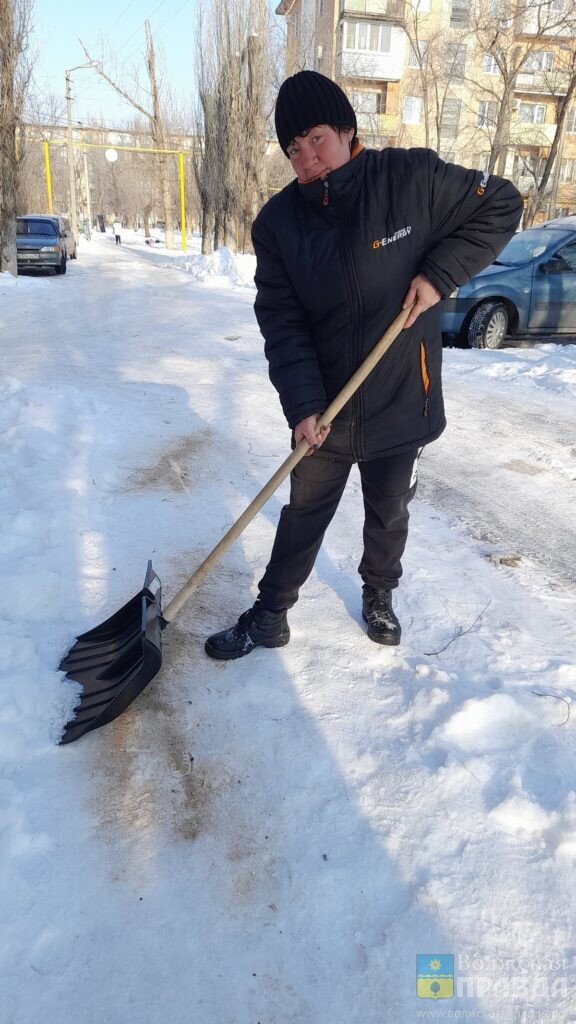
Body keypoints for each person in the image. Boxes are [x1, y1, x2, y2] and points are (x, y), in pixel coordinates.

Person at [205, 71, 523, 660]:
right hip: (327, 403)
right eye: (293, 149)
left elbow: (502, 204)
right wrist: (303, 406)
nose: (307, 159)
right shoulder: (278, 225)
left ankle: (379, 593)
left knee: (389, 511)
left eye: (316, 139)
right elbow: (283, 324)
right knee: (303, 511)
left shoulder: (409, 179)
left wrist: (440, 274)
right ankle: (271, 613)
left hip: (402, 395)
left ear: (347, 130)